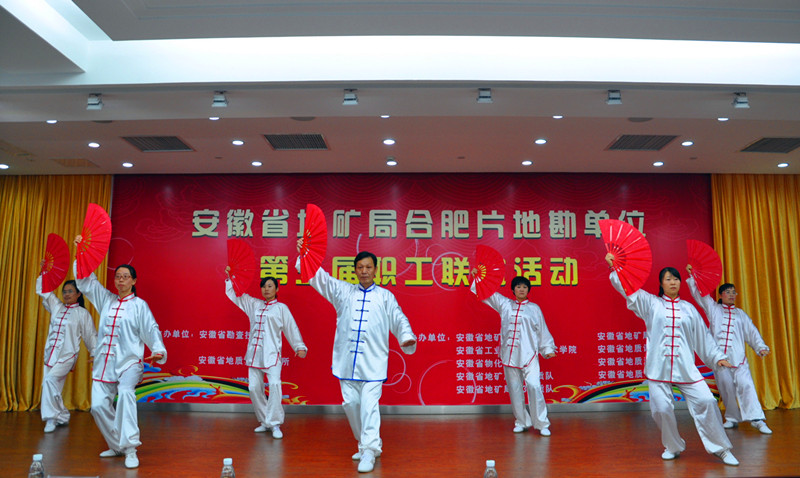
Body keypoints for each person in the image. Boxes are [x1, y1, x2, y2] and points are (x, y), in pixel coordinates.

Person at [605, 253, 739, 466]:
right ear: (661, 284)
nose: (673, 282)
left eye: (676, 278)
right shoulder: (651, 304)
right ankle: (673, 446)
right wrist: (615, 269)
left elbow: (703, 337)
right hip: (658, 369)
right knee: (661, 409)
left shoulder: (689, 309)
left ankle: (721, 449)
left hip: (686, 369)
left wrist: (717, 357)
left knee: (707, 401)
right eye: (668, 279)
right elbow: (629, 289)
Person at [296, 241, 416, 473]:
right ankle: (365, 443)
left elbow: (399, 318)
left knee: (369, 406)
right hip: (346, 362)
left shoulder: (385, 297)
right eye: (360, 267)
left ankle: (369, 450)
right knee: (351, 404)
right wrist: (305, 254)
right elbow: (319, 278)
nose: (364, 271)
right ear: (355, 270)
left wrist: (406, 336)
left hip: (373, 363)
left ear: (375, 270)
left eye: (368, 267)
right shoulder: (343, 291)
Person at [74, 236, 167, 470]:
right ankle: (117, 445)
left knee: (125, 393)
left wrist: (157, 349)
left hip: (129, 363)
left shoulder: (139, 306)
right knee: (97, 406)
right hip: (104, 363)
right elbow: (85, 282)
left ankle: (131, 448)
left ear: (134, 281)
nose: (121, 279)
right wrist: (81, 252)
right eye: (118, 276)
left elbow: (151, 329)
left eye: (126, 276)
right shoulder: (106, 299)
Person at [685, 266, 772, 434]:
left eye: (734, 292)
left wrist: (761, 347)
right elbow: (700, 295)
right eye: (728, 292)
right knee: (726, 388)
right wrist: (693, 277)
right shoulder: (713, 309)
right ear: (720, 295)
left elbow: (752, 332)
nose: (731, 295)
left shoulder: (741, 314)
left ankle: (757, 419)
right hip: (720, 360)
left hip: (739, 360)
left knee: (747, 386)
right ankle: (732, 417)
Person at [225, 270, 307, 439]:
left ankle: (275, 423)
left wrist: (299, 346)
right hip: (254, 355)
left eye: (270, 286)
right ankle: (265, 421)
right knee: (254, 388)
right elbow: (237, 296)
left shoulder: (281, 308)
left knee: (275, 386)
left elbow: (291, 327)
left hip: (272, 355)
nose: (266, 289)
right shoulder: (254, 304)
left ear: (277, 289)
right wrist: (230, 278)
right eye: (263, 286)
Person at [471, 275, 556, 436]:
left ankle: (541, 423)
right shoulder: (505, 305)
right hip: (509, 356)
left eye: (524, 287)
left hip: (529, 356)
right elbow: (488, 293)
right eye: (518, 287)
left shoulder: (534, 309)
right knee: (515, 390)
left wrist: (547, 348)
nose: (521, 289)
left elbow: (542, 330)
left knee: (534, 386)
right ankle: (522, 422)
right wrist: (478, 278)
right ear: (513, 290)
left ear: (528, 290)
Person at [35, 273, 97, 433]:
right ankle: (62, 415)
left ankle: (51, 418)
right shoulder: (57, 306)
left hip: (67, 356)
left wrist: (95, 353)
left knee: (49, 381)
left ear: (78, 294)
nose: (66, 294)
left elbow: (90, 335)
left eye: (70, 291)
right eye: (64, 291)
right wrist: (44, 273)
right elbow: (44, 291)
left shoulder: (82, 314)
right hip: (50, 354)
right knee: (51, 386)